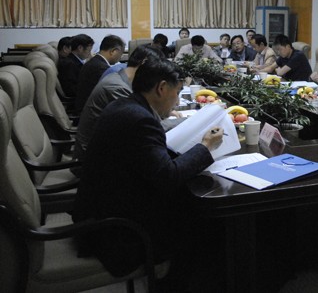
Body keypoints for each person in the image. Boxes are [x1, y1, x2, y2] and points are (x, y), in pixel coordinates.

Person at [73, 58, 225, 290]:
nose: (177, 100)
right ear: (161, 88)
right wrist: (205, 147)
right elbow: (168, 177)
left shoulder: (125, 105)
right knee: (203, 223)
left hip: (102, 210)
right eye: (177, 92)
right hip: (117, 231)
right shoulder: (140, 119)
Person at [75, 45, 166, 159]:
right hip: (92, 157)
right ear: (144, 63)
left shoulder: (120, 76)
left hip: (106, 146)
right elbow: (149, 124)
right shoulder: (117, 87)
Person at [74, 35, 125, 113]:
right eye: (121, 53)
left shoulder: (94, 62)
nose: (121, 57)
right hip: (90, 112)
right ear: (114, 51)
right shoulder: (101, 68)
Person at [57, 34, 95, 99]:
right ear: (80, 48)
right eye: (89, 50)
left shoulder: (73, 61)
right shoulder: (69, 64)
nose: (90, 54)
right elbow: (71, 90)